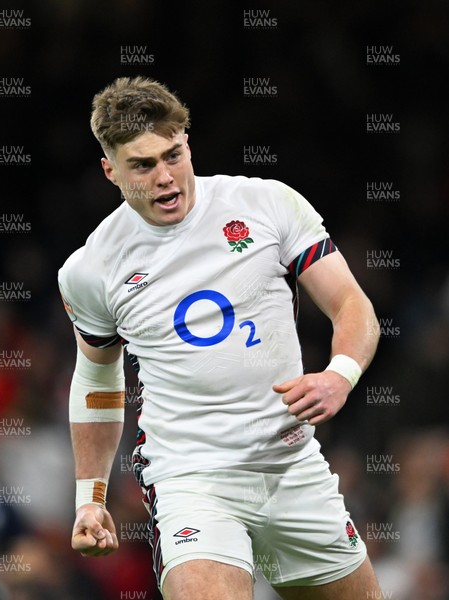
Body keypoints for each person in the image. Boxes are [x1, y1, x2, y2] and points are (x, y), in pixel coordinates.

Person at [58, 76, 382, 600]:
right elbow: (97, 376)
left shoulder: (266, 204)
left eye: (173, 155)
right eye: (142, 165)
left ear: (188, 142)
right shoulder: (92, 268)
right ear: (110, 170)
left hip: (291, 463)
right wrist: (90, 496)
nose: (165, 178)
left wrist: (339, 376)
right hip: (192, 478)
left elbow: (352, 305)